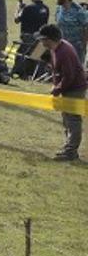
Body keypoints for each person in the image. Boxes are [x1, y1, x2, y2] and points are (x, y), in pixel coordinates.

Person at [37, 24, 86, 161]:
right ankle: (68, 148)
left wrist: (57, 89)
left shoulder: (64, 52)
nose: (41, 42)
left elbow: (69, 76)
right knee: (66, 118)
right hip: (68, 88)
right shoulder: (56, 48)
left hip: (75, 89)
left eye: (42, 39)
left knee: (73, 120)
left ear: (49, 39)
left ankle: (71, 151)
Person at [14, 0, 51, 78]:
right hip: (40, 40)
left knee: (20, 55)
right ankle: (32, 74)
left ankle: (19, 72)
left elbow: (16, 20)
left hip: (27, 39)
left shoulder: (28, 8)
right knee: (35, 57)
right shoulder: (46, 9)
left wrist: (18, 9)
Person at [52, 0, 87, 65]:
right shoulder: (58, 9)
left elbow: (85, 28)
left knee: (76, 70)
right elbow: (57, 25)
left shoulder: (79, 11)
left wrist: (84, 46)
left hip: (76, 47)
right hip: (61, 45)